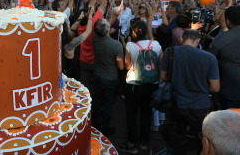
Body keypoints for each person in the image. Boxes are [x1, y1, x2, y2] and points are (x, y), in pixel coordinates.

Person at [160, 29, 220, 155]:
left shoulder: (169, 52)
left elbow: (163, 77)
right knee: (201, 139)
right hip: (200, 105)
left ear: (182, 39)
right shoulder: (209, 58)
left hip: (176, 104)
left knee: (177, 137)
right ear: (198, 41)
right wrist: (202, 87)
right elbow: (215, 88)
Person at [120, 20, 163, 154]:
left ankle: (132, 143)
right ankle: (144, 142)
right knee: (146, 113)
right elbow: (161, 63)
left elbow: (127, 66)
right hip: (152, 84)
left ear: (134, 32)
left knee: (131, 115)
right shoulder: (155, 44)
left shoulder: (130, 45)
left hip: (134, 85)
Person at [92, 18, 124, 137]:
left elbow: (103, 31)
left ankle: (95, 124)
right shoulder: (116, 45)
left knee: (98, 101)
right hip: (110, 79)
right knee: (108, 104)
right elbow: (121, 67)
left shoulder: (95, 37)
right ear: (108, 30)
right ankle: (105, 128)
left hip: (97, 76)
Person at [209, 6, 240, 109]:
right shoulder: (221, 39)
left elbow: (210, 61)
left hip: (230, 90)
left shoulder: (221, 39)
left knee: (229, 122)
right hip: (230, 91)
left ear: (228, 21)